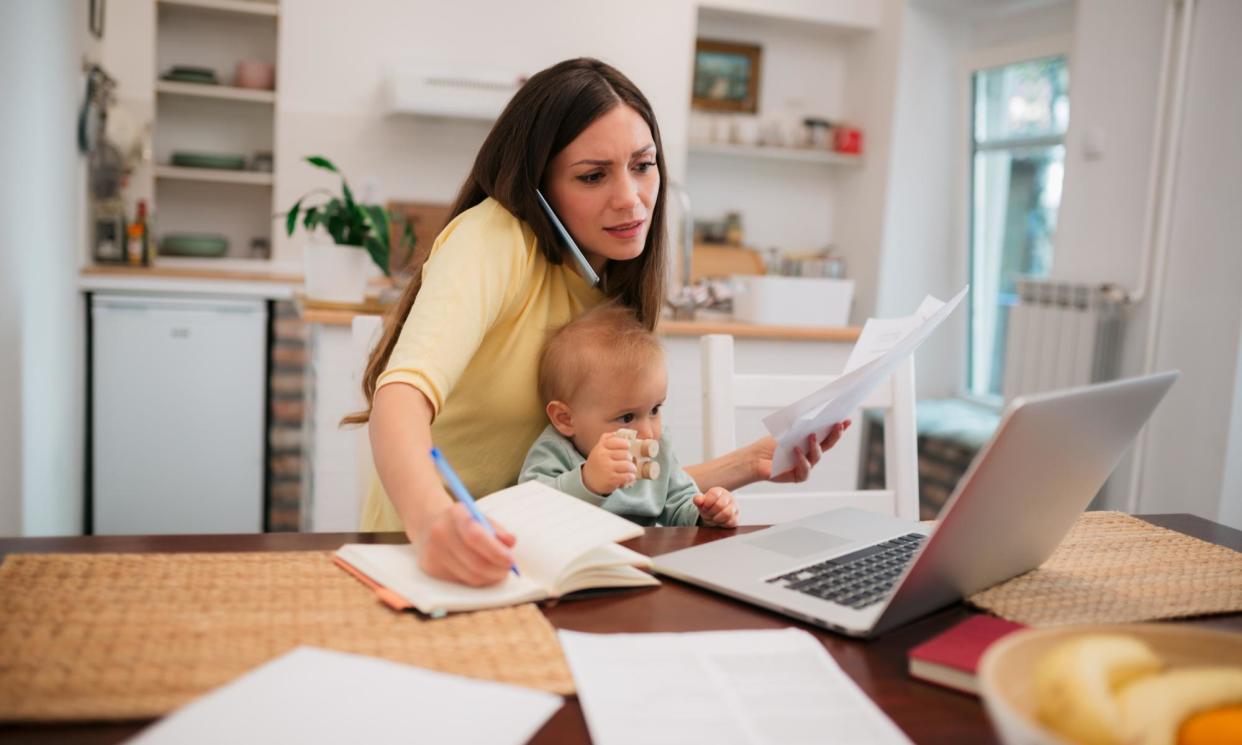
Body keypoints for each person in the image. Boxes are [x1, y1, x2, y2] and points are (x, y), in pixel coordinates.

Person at [351, 57, 849, 587]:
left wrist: (753, 461)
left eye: (643, 165)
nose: (631, 200)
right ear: (537, 187)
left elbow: (612, 481)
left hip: (542, 556)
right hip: (430, 559)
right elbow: (399, 400)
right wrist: (432, 524)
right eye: (593, 176)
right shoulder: (493, 239)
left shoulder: (610, 281)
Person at [519, 303, 738, 528]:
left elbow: (678, 502)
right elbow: (529, 509)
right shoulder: (555, 451)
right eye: (627, 418)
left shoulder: (658, 447)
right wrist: (587, 481)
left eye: (654, 410)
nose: (648, 432)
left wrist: (705, 512)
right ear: (565, 418)